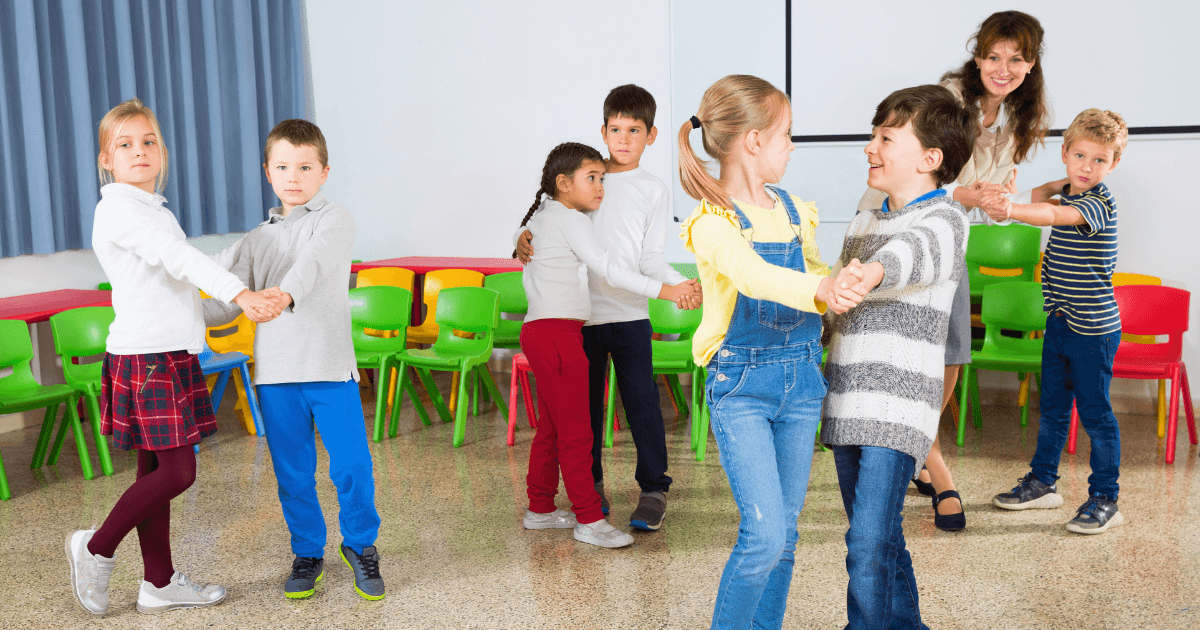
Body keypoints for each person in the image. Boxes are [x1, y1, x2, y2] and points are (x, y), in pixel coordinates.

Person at [66, 98, 282, 616]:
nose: (139, 152)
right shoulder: (117, 209)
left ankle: (158, 583)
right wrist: (241, 292)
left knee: (153, 474)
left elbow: (179, 281)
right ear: (105, 159)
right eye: (125, 144)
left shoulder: (153, 211)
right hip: (147, 359)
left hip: (169, 352)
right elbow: (180, 261)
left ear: (161, 152)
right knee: (179, 472)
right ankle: (95, 547)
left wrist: (248, 258)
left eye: (148, 142)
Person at [679, 74, 866, 630]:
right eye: (786, 134)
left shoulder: (792, 209)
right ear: (755, 141)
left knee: (785, 537)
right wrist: (819, 289)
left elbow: (812, 274)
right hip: (742, 387)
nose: (791, 146)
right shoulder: (710, 222)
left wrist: (842, 282)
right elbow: (753, 275)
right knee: (763, 536)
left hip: (802, 382)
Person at [858, 10, 1052, 531]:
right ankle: (933, 466)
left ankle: (922, 449)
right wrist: (971, 194)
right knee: (895, 349)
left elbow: (984, 189)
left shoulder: (1016, 120)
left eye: (1016, 59)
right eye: (993, 56)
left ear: (1031, 65)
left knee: (952, 351)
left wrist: (994, 199)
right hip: (899, 226)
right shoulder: (947, 97)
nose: (1003, 67)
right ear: (978, 55)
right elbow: (922, 173)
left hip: (948, 233)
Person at [203, 119, 386, 599]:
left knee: (351, 466)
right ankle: (308, 552)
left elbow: (314, 263)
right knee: (293, 473)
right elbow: (224, 300)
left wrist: (282, 296)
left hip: (330, 369)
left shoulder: (335, 218)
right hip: (277, 376)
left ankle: (362, 547)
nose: (294, 176)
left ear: (324, 171)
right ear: (268, 171)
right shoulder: (254, 239)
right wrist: (173, 312)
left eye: (305, 166)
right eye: (283, 166)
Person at [822, 85, 977, 630]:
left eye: (887, 138)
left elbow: (912, 255)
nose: (871, 147)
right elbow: (835, 305)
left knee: (865, 541)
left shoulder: (946, 218)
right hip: (845, 402)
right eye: (873, 135)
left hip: (897, 409)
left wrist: (869, 274)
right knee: (880, 534)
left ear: (931, 159)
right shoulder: (865, 218)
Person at [515, 85, 696, 531]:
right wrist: (517, 239)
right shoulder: (583, 177)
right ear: (603, 130)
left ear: (650, 136)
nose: (623, 138)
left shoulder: (652, 189)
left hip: (632, 314)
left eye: (634, 130)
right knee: (586, 411)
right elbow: (543, 228)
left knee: (643, 407)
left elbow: (650, 257)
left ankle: (654, 488)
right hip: (582, 321)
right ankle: (589, 490)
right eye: (615, 128)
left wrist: (679, 283)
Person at [984, 109, 1128, 535]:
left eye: (1099, 160)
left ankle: (1105, 498)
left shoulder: (1098, 203)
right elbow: (1047, 193)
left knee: (1096, 414)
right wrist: (1008, 195)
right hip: (1061, 322)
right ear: (1065, 153)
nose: (1087, 167)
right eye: (1080, 155)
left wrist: (1011, 209)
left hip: (1094, 332)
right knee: (1052, 409)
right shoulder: (1065, 186)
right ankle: (1043, 482)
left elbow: (1053, 216)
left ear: (1113, 164)